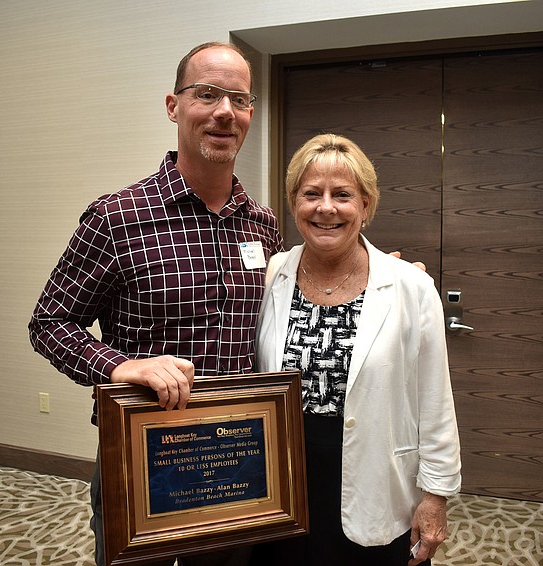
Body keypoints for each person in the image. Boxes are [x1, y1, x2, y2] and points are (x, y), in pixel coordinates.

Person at [28, 42, 282, 566]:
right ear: (173, 106)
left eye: (238, 98)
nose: (224, 112)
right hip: (145, 459)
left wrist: (370, 276)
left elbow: (289, 313)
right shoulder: (117, 217)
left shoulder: (264, 224)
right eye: (207, 94)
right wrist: (122, 365)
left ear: (251, 113)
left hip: (239, 459)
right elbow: (49, 322)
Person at [252, 133, 462, 566]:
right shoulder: (274, 273)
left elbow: (435, 401)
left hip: (376, 477)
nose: (326, 207)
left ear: (366, 206)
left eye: (343, 195)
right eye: (312, 194)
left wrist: (436, 495)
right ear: (294, 204)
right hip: (284, 481)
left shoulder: (411, 286)